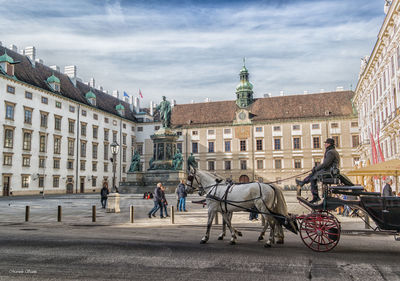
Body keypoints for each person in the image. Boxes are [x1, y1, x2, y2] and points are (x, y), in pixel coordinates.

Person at [296, 138, 340, 203]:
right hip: (330, 171)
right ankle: (302, 183)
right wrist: (316, 169)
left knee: (313, 178)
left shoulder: (331, 152)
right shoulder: (332, 151)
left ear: (329, 144)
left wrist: (316, 168)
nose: (325, 144)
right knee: (313, 174)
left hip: (330, 172)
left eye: (326, 143)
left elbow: (325, 164)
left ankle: (315, 196)